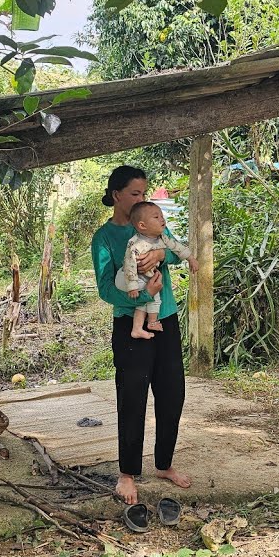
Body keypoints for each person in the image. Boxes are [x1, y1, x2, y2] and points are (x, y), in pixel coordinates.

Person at [90, 166, 193, 506]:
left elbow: (176, 252)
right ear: (116, 195)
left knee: (172, 392)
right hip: (130, 325)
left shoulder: (152, 220)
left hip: (166, 319)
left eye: (144, 192)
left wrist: (163, 254)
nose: (141, 199)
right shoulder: (104, 238)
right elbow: (106, 288)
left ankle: (164, 464)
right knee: (132, 397)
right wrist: (145, 294)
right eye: (134, 193)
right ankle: (127, 474)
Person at [117, 201, 197, 339]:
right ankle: (151, 322)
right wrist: (132, 286)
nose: (162, 219)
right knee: (153, 297)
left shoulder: (162, 237)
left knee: (147, 300)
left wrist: (191, 259)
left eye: (161, 216)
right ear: (142, 225)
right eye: (156, 217)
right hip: (126, 278)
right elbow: (129, 264)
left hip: (144, 278)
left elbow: (177, 247)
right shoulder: (135, 243)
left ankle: (138, 328)